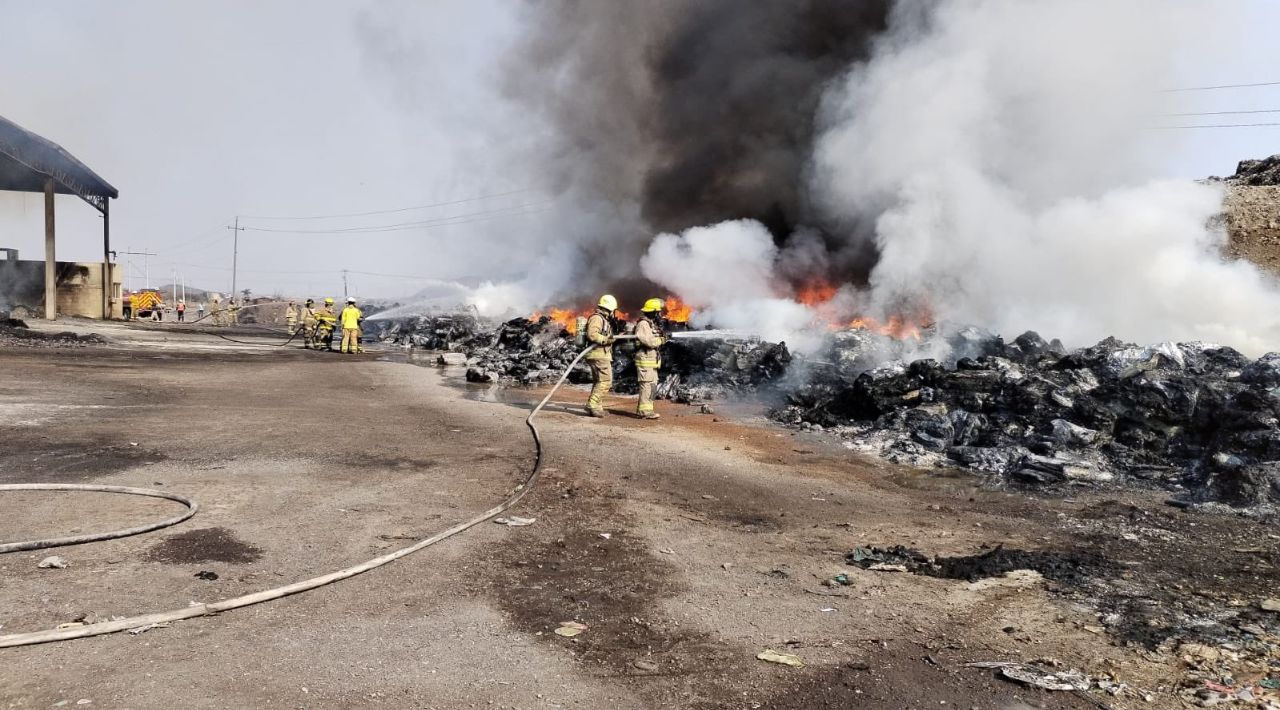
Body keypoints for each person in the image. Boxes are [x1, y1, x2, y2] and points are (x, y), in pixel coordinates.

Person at [584, 294, 618, 417]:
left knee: (599, 381)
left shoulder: (603, 319)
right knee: (606, 381)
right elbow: (592, 334)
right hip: (598, 355)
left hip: (599, 354)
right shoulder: (597, 318)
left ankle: (597, 407)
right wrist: (606, 340)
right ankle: (592, 405)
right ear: (610, 308)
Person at [634, 298, 668, 420]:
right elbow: (647, 341)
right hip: (645, 360)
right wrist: (661, 340)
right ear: (653, 312)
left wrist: (661, 336)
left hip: (651, 361)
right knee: (646, 385)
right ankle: (643, 411)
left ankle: (648, 409)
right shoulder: (643, 324)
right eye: (658, 312)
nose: (659, 314)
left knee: (652, 385)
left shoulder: (650, 323)